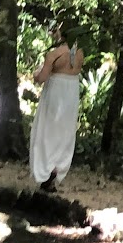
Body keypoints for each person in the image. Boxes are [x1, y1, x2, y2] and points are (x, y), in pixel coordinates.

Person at [30, 24, 85, 192]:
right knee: (63, 131)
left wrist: (35, 74)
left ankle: (46, 169)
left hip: (55, 93)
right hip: (71, 93)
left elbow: (42, 78)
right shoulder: (80, 54)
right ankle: (57, 167)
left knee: (47, 130)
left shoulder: (54, 55)